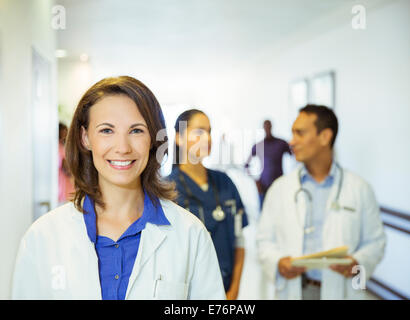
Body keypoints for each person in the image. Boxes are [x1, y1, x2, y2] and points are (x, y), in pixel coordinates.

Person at [12, 76, 225, 300]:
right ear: (85, 137)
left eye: (136, 131)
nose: (122, 148)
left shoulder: (190, 234)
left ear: (154, 138)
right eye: (106, 130)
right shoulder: (43, 237)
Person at [256, 105, 386, 300]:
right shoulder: (280, 188)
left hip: (341, 290)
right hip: (294, 290)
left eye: (300, 133)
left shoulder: (359, 189)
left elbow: (376, 242)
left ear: (325, 137)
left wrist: (357, 262)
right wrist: (278, 261)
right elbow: (264, 240)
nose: (292, 141)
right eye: (292, 133)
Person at [167, 109, 249, 300]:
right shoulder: (167, 189)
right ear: (179, 138)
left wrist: (235, 289)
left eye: (209, 131)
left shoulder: (225, 183)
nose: (208, 138)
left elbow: (239, 241)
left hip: (227, 290)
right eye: (199, 131)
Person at [244, 120, 291, 207]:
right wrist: (256, 181)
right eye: (265, 127)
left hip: (279, 184)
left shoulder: (281, 143)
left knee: (281, 212)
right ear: (263, 128)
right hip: (263, 186)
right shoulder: (259, 145)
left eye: (269, 126)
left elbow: (295, 158)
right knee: (264, 214)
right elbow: (246, 165)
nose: (267, 129)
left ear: (271, 127)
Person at [58, 122, 75, 204]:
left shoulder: (62, 148)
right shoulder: (62, 149)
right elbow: (68, 169)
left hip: (64, 190)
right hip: (64, 191)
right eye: (64, 130)